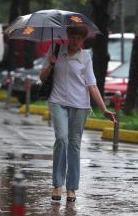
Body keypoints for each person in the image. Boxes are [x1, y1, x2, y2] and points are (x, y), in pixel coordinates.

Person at [40, 25, 115, 202]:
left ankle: (71, 188)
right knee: (61, 139)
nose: (75, 41)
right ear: (67, 36)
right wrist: (51, 64)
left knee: (74, 145)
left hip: (79, 105)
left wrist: (103, 109)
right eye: (73, 37)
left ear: (83, 40)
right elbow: (42, 78)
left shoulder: (85, 57)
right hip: (57, 101)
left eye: (79, 38)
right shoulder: (56, 50)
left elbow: (92, 85)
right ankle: (57, 185)